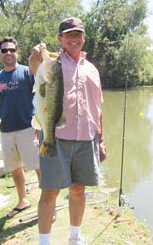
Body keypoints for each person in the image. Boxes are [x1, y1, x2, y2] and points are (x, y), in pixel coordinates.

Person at [29, 17, 107, 245]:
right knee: (50, 191)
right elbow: (35, 67)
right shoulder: (51, 62)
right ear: (60, 39)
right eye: (69, 34)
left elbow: (98, 106)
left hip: (86, 139)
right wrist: (36, 55)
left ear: (83, 38)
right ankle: (45, 242)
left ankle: (74, 237)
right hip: (56, 138)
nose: (74, 38)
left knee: (78, 189)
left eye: (78, 34)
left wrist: (101, 139)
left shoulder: (92, 69)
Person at [0, 37, 40, 218]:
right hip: (6, 131)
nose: (8, 53)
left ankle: (46, 201)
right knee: (14, 167)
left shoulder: (28, 73)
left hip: (28, 128)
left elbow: (44, 92)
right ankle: (22, 200)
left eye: (11, 50)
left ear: (17, 52)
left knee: (37, 165)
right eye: (4, 50)